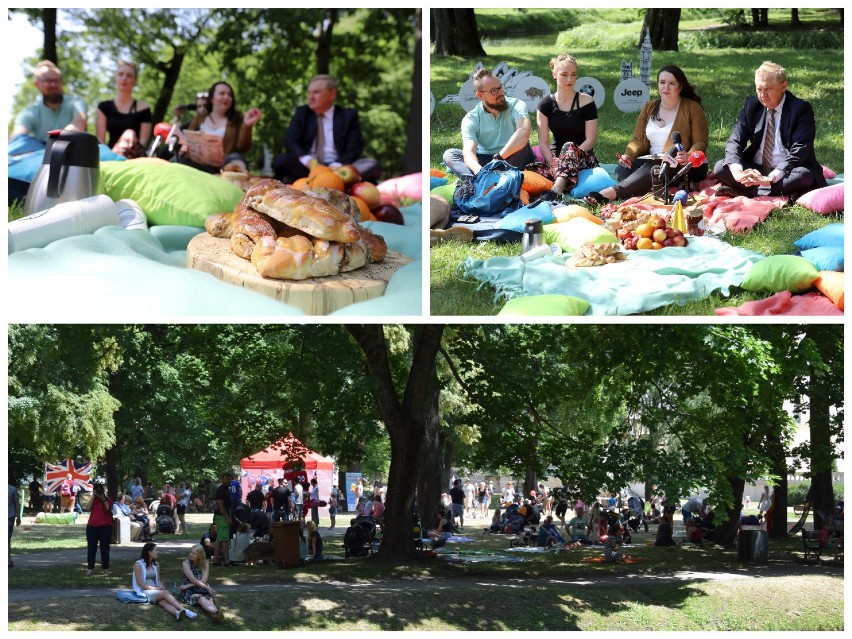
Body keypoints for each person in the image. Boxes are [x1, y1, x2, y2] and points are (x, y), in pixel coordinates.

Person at [585, 65, 708, 206]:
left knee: (653, 168)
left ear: (680, 87)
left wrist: (689, 156)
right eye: (662, 83)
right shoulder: (650, 106)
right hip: (653, 160)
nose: (666, 87)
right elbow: (638, 140)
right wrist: (628, 156)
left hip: (684, 163)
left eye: (672, 83)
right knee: (622, 171)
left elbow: (701, 142)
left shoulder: (692, 107)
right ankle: (651, 181)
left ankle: (610, 193)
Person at [713, 61, 826, 199]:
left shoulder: (801, 109)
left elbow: (801, 149)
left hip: (787, 169)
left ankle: (748, 192)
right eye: (759, 89)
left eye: (767, 89)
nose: (762, 95)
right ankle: (770, 191)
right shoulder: (752, 105)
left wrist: (771, 178)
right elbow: (735, 140)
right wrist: (738, 173)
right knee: (720, 167)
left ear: (784, 86)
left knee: (804, 176)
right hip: (756, 168)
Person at [273, 74, 380, 184]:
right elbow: (291, 142)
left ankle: (326, 179)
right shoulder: (302, 113)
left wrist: (336, 165)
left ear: (332, 94)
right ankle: (331, 181)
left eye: (316, 92)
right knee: (281, 160)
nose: (310, 97)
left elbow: (355, 148)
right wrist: (309, 162)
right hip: (309, 167)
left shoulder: (348, 116)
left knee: (371, 165)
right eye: (309, 92)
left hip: (339, 168)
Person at [527, 53, 599, 198]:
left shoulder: (587, 101)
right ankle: (565, 179)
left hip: (582, 157)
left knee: (569, 146)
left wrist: (570, 157)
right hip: (556, 159)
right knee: (529, 170)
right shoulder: (545, 104)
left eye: (573, 75)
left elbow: (590, 141)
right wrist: (552, 162)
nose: (569, 79)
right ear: (554, 74)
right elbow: (543, 142)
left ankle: (555, 191)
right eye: (564, 75)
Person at [443, 68, 534, 178]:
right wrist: (479, 171)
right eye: (494, 91)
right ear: (480, 95)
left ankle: (485, 180)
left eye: (500, 87)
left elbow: (523, 132)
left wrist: (498, 158)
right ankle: (478, 180)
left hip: (513, 156)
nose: (500, 93)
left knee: (523, 145)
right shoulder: (471, 118)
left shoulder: (517, 105)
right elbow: (469, 152)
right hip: (487, 161)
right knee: (450, 155)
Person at [182, 81, 262, 173]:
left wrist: (247, 126)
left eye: (229, 95)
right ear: (212, 98)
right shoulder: (199, 118)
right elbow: (187, 141)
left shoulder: (237, 119)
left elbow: (243, 148)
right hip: (197, 164)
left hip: (224, 167)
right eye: (222, 93)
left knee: (236, 158)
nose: (226, 97)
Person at [11, 60, 87, 141]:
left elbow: (79, 122)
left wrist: (60, 138)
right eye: (47, 81)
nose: (53, 85)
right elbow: (17, 137)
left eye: (56, 80)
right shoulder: (30, 111)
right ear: (37, 84)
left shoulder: (75, 102)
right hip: (41, 151)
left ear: (61, 82)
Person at [96, 61, 152, 158]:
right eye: (120, 74)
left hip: (135, 158)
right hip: (110, 157)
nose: (124, 78)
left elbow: (143, 142)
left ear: (135, 81)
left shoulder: (144, 109)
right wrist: (110, 156)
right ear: (116, 78)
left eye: (129, 75)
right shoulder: (104, 107)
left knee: (129, 133)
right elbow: (100, 140)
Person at [132, 542, 197, 620]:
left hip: (155, 591)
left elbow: (158, 580)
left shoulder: (156, 564)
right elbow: (140, 584)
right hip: (144, 591)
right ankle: (186, 611)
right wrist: (157, 589)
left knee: (164, 602)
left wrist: (161, 587)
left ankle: (177, 613)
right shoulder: (138, 564)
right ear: (149, 552)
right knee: (164, 593)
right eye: (156, 550)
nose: (157, 552)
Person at [179, 544, 224, 622]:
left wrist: (188, 585)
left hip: (200, 587)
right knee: (201, 598)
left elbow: (203, 581)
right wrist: (206, 587)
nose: (191, 555)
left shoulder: (205, 564)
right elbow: (192, 579)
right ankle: (216, 612)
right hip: (189, 591)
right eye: (190, 552)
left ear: (200, 555)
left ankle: (215, 616)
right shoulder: (186, 563)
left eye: (194, 553)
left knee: (208, 600)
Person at [85, 481, 114, 575]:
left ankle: (105, 568)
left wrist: (103, 499)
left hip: (105, 527)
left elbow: (108, 509)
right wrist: (93, 497)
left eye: (100, 491)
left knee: (104, 548)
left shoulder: (108, 499)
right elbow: (87, 508)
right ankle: (90, 568)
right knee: (91, 548)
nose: (98, 493)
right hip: (92, 527)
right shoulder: (94, 500)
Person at [212, 472, 233, 566]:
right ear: (222, 479)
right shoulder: (220, 490)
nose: (228, 481)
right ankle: (227, 561)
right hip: (221, 516)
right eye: (226, 479)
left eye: (229, 479)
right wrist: (228, 518)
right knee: (224, 539)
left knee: (219, 539)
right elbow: (220, 505)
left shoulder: (226, 489)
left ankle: (216, 560)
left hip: (221, 516)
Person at [9, 480, 21, 568]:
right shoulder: (13, 489)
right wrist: (18, 518)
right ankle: (8, 560)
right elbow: (17, 504)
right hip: (9, 517)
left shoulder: (13, 489)